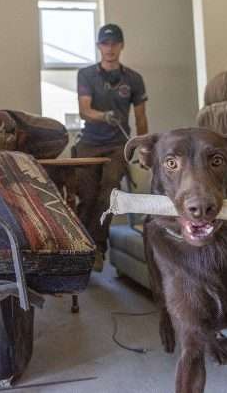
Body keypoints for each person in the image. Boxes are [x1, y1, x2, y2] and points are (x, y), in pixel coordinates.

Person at [75, 23, 148, 271]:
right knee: (86, 195)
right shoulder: (86, 75)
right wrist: (103, 116)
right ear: (99, 47)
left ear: (121, 46)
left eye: (114, 43)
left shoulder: (134, 79)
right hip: (89, 143)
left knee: (109, 192)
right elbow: (84, 110)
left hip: (118, 145)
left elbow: (140, 118)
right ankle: (79, 248)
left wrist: (145, 147)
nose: (110, 48)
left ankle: (96, 248)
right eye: (105, 44)